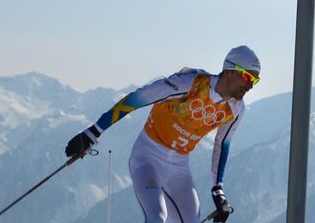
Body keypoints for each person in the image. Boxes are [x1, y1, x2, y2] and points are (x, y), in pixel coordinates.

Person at [64, 45, 260, 223]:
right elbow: (136, 99)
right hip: (147, 157)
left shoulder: (236, 109)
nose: (251, 85)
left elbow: (222, 145)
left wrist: (218, 189)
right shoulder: (190, 84)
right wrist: (93, 132)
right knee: (157, 218)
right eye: (247, 77)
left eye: (255, 80)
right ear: (229, 70)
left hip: (179, 167)